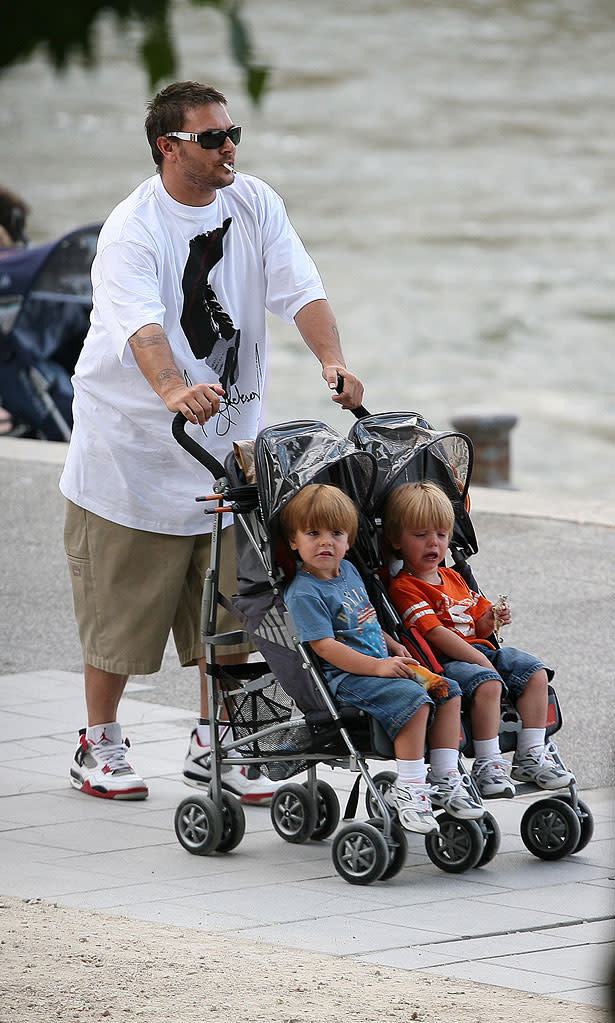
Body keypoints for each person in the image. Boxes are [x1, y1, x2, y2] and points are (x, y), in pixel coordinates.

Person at [60, 81, 365, 804]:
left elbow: (300, 286)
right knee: (118, 618)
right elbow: (141, 326)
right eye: (212, 138)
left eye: (233, 134)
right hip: (130, 453)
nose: (229, 148)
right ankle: (97, 742)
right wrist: (171, 389)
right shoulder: (132, 229)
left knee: (235, 616)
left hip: (229, 456)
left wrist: (332, 359)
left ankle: (217, 740)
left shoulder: (254, 202)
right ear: (168, 148)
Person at [281, 483, 484, 833]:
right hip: (348, 678)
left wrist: (390, 643)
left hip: (380, 664)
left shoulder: (349, 573)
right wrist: (378, 666)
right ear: (293, 542)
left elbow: (366, 618)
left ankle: (447, 776)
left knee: (448, 690)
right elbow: (325, 647)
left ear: (349, 541)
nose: (326, 542)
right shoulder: (305, 592)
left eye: (336, 533)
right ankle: (410, 786)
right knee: (415, 700)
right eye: (313, 533)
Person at [383, 482, 574, 797]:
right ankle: (488, 762)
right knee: (488, 682)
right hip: (444, 660)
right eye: (420, 536)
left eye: (441, 535)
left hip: (478, 650)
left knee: (534, 671)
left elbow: (478, 623)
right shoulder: (405, 587)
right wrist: (481, 660)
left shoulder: (454, 577)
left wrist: (490, 620)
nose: (434, 543)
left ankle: (531, 752)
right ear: (396, 541)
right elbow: (435, 632)